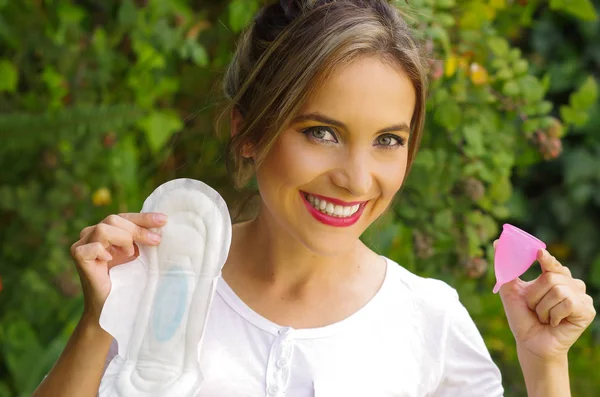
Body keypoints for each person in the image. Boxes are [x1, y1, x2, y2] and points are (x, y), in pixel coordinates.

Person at [33, 1, 596, 396]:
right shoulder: (159, 284)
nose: (355, 179)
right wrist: (98, 322)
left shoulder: (430, 323)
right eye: (321, 132)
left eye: (387, 141)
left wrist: (545, 367)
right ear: (248, 132)